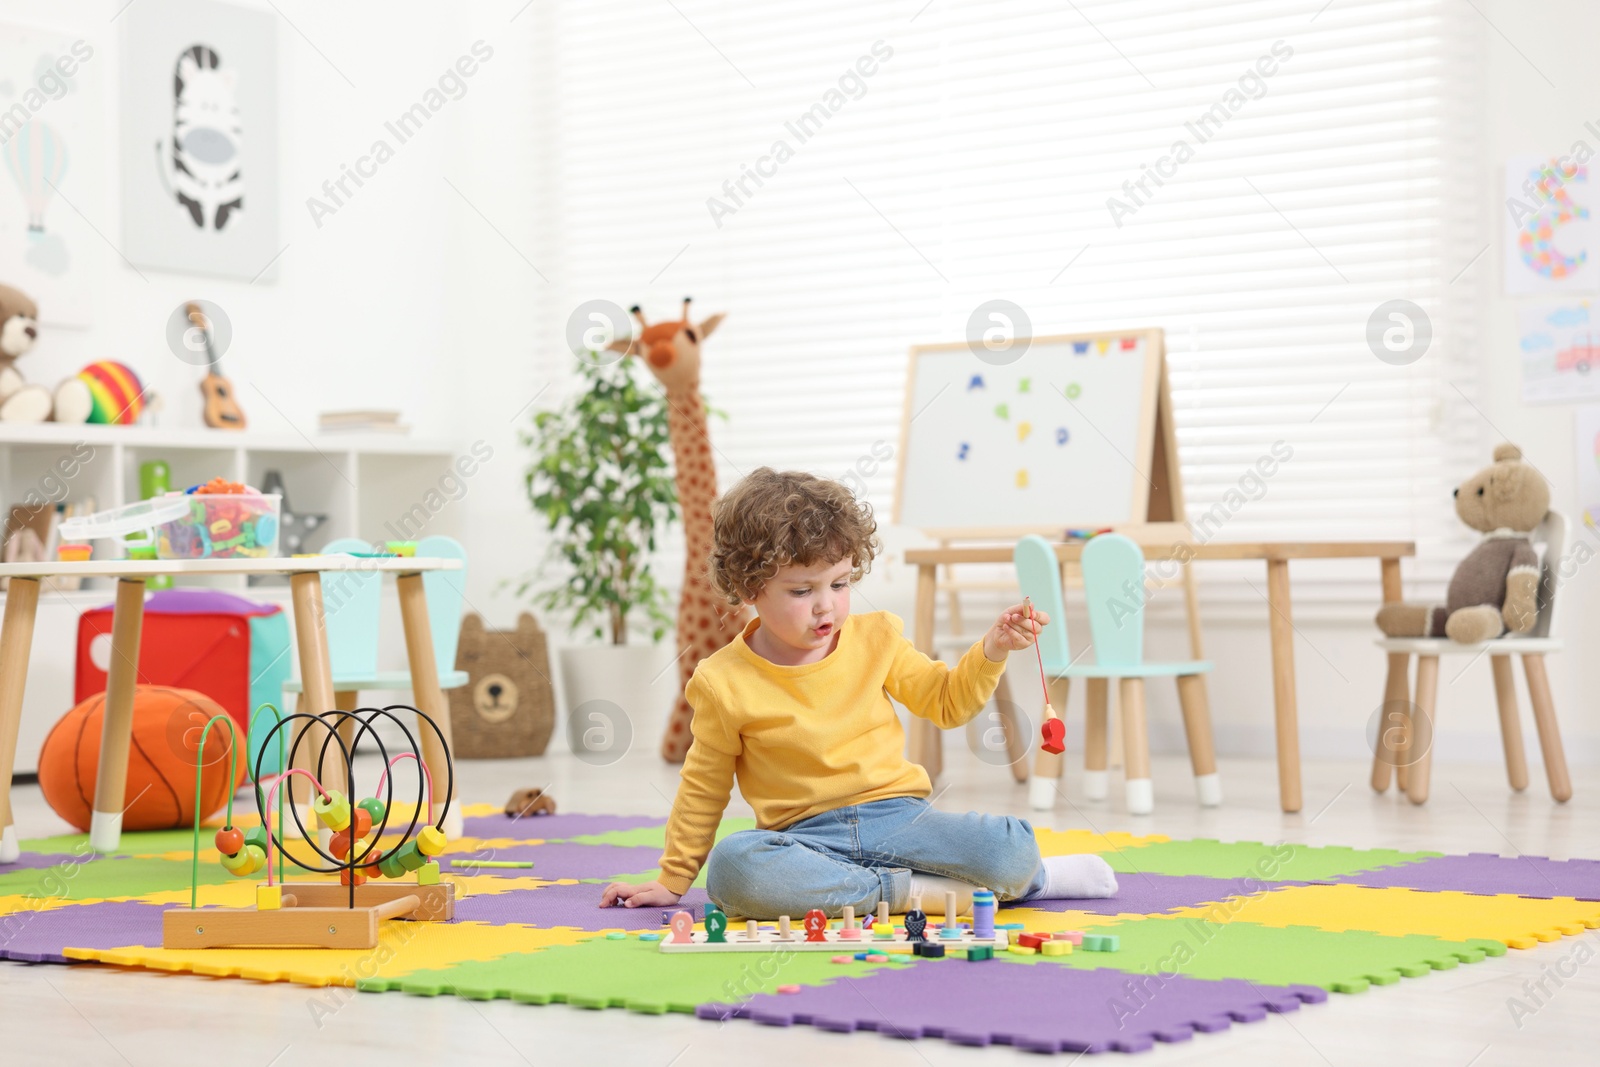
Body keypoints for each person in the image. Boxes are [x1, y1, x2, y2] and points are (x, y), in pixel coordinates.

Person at [599, 467, 1116, 918]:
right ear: (749, 587)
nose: (826, 606)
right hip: (804, 839)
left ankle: (1032, 877)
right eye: (803, 591)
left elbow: (947, 702)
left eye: (840, 584)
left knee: (1012, 854)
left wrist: (994, 648)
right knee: (734, 872)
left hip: (899, 819)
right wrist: (673, 878)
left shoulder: (879, 637)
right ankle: (910, 892)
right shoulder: (720, 680)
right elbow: (703, 786)